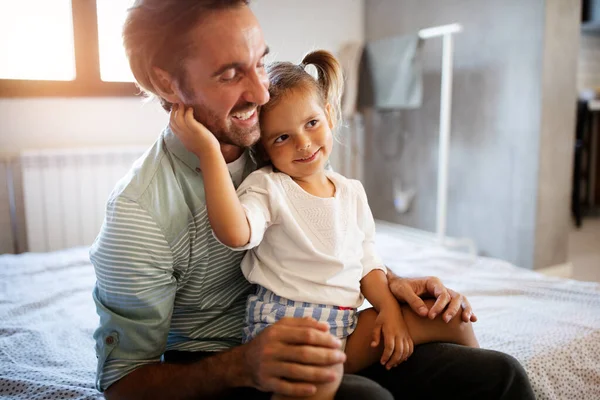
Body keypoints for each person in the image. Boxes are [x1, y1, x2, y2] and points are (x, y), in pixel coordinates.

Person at [90, 1, 535, 399]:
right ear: (166, 82)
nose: (262, 94)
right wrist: (242, 365)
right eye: (229, 74)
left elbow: (321, 234)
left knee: (500, 375)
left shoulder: (270, 136)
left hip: (327, 328)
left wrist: (391, 286)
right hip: (225, 368)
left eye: (259, 63)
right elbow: (123, 383)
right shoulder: (139, 212)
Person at [169, 49, 480, 400]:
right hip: (289, 332)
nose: (303, 142)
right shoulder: (268, 186)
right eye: (282, 138)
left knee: (452, 320)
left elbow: (368, 263)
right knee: (328, 386)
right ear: (266, 150)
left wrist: (390, 311)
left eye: (311, 123)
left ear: (329, 116)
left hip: (346, 325)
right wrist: (208, 152)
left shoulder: (351, 192)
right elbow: (235, 233)